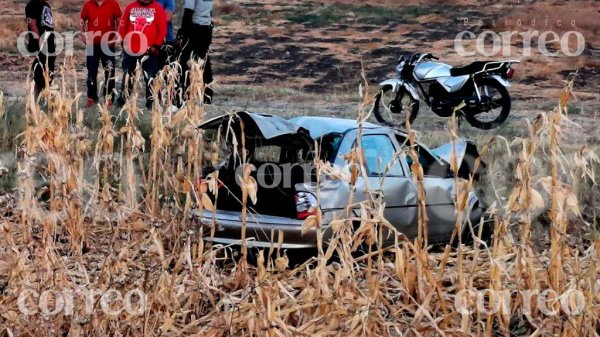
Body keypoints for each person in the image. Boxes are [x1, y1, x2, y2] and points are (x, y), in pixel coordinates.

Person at [117, 0, 167, 109]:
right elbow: (122, 26)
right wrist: (124, 43)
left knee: (150, 77)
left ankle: (153, 104)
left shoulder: (158, 8)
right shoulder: (130, 7)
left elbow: (162, 29)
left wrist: (156, 46)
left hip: (149, 51)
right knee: (127, 76)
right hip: (131, 50)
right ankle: (122, 102)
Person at [80, 0, 122, 108]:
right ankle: (92, 98)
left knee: (110, 71)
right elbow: (82, 20)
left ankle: (108, 98)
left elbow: (119, 21)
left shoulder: (113, 3)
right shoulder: (88, 4)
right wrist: (82, 33)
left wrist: (115, 37)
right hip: (91, 44)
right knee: (91, 71)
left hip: (107, 44)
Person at [177, 0, 214, 105]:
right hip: (206, 28)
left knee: (184, 63)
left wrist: (182, 33)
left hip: (194, 29)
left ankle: (183, 96)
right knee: (204, 62)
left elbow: (188, 12)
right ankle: (208, 95)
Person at [25, 0, 55, 99]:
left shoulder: (46, 4)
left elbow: (48, 24)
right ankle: (34, 100)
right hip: (40, 44)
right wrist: (40, 42)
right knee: (39, 71)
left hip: (49, 42)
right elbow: (32, 25)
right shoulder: (32, 5)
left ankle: (45, 99)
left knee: (48, 71)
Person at [155, 0, 175, 68]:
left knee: (166, 70)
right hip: (150, 42)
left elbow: (167, 18)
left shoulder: (169, 1)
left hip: (166, 41)